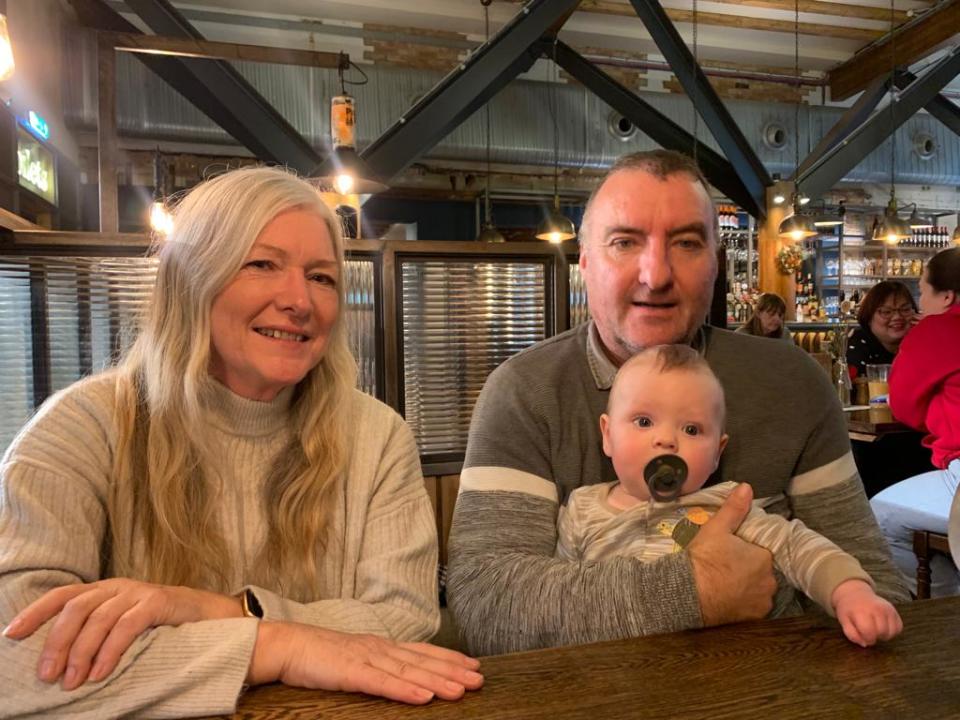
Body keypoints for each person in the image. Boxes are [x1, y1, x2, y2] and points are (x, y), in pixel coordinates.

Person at [0, 167, 482, 718]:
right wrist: (275, 644)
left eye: (321, 277)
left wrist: (215, 610)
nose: (299, 300)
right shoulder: (83, 426)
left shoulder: (375, 435)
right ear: (191, 280)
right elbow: (15, 661)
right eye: (262, 264)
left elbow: (407, 620)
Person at [446, 149, 908, 656]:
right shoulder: (523, 392)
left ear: (716, 263)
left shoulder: (791, 383)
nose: (656, 274)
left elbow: (874, 580)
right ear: (585, 262)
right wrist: (701, 590)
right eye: (625, 242)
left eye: (686, 243)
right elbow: (487, 607)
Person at [557, 344, 902, 647]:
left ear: (717, 452)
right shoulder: (582, 510)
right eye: (643, 422)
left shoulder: (726, 508)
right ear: (607, 435)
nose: (666, 440)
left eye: (691, 429)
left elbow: (797, 547)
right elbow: (562, 596)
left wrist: (850, 592)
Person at [870, 247, 960, 597]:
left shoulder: (937, 330)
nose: (920, 304)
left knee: (878, 516)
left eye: (922, 292)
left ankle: (939, 607)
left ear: (947, 296)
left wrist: (935, 412)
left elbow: (904, 407)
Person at [846, 280, 917, 380]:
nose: (897, 317)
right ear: (869, 317)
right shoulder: (858, 343)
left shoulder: (920, 341)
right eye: (886, 312)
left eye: (905, 310)